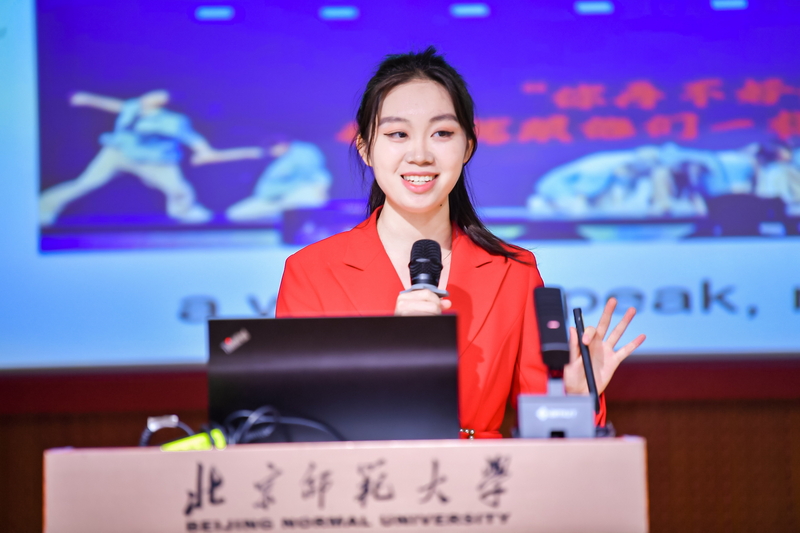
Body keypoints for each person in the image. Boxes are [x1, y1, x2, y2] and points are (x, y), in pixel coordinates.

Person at [276, 47, 645, 438]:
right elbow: (294, 422)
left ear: (468, 146)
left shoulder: (513, 272)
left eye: (442, 133)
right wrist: (389, 348)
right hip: (360, 473)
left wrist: (574, 398)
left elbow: (549, 440)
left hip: (479, 473)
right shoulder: (311, 272)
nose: (420, 155)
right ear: (365, 148)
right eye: (398, 134)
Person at [39, 90, 263, 225]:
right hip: (118, 153)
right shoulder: (133, 107)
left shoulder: (173, 121)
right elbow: (114, 105)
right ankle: (45, 207)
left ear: (163, 101)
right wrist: (87, 99)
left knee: (177, 189)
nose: (150, 96)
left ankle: (184, 212)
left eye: (157, 95)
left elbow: (192, 138)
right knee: (87, 182)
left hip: (155, 160)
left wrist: (204, 151)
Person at [226, 140, 332, 221]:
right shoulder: (279, 159)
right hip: (273, 202)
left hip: (292, 199)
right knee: (234, 214)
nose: (272, 153)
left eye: (272, 149)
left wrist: (321, 193)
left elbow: (318, 176)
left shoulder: (302, 152)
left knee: (308, 195)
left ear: (282, 144)